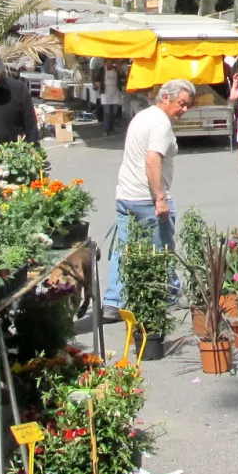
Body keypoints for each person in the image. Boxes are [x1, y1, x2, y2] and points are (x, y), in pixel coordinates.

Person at [103, 79, 194, 322]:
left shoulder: (142, 117)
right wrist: (160, 198)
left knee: (124, 249)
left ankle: (113, 302)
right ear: (165, 98)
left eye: (187, 105)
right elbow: (152, 159)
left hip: (126, 195)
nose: (184, 109)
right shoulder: (161, 124)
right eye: (181, 103)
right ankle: (169, 294)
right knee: (161, 248)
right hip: (147, 198)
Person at [100, 59, 123, 137]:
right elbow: (97, 78)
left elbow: (122, 76)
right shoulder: (102, 70)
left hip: (115, 92)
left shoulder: (116, 69)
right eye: (109, 61)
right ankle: (106, 130)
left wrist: (119, 68)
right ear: (106, 62)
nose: (110, 63)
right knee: (107, 112)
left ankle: (111, 129)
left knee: (114, 112)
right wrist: (97, 85)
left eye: (111, 62)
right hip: (106, 93)